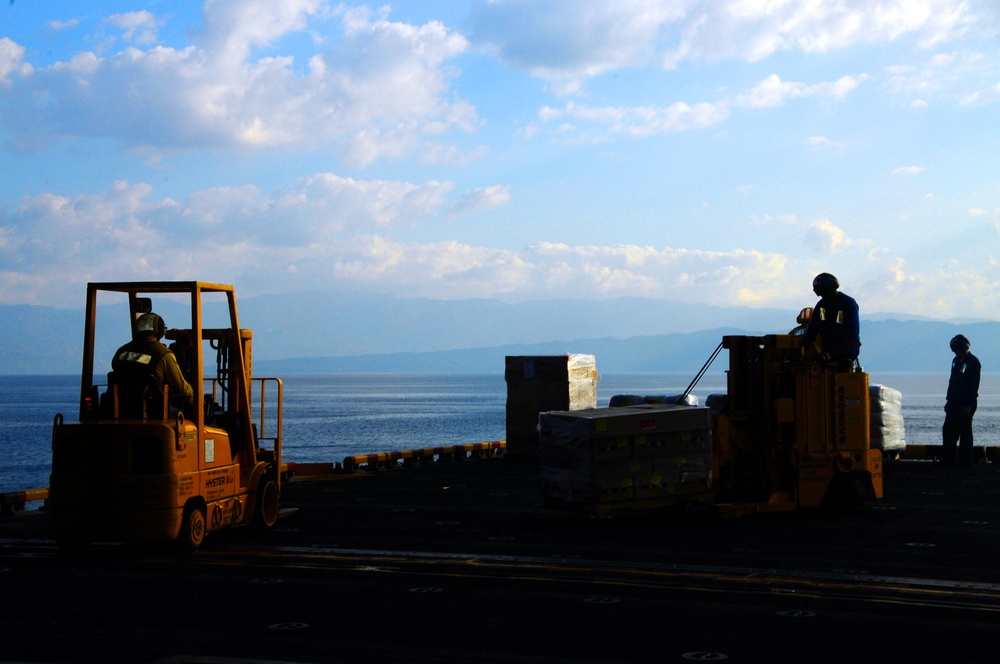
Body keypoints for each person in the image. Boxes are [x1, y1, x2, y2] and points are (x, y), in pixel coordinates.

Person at [111, 312, 195, 411]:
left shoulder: (122, 351)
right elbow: (181, 387)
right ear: (161, 331)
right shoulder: (164, 355)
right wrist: (199, 402)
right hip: (154, 411)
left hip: (121, 409)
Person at [800, 273, 861, 366]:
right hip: (827, 352)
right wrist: (800, 350)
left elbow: (852, 339)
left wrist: (829, 355)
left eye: (823, 292)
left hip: (845, 354)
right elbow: (812, 332)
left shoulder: (848, 304)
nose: (823, 296)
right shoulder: (821, 306)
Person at [940, 334, 981, 467]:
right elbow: (953, 381)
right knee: (948, 430)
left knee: (964, 430)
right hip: (954, 401)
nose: (956, 352)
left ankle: (966, 459)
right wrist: (948, 400)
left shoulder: (973, 362)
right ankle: (949, 457)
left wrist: (968, 404)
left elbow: (972, 385)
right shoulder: (956, 361)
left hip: (966, 402)